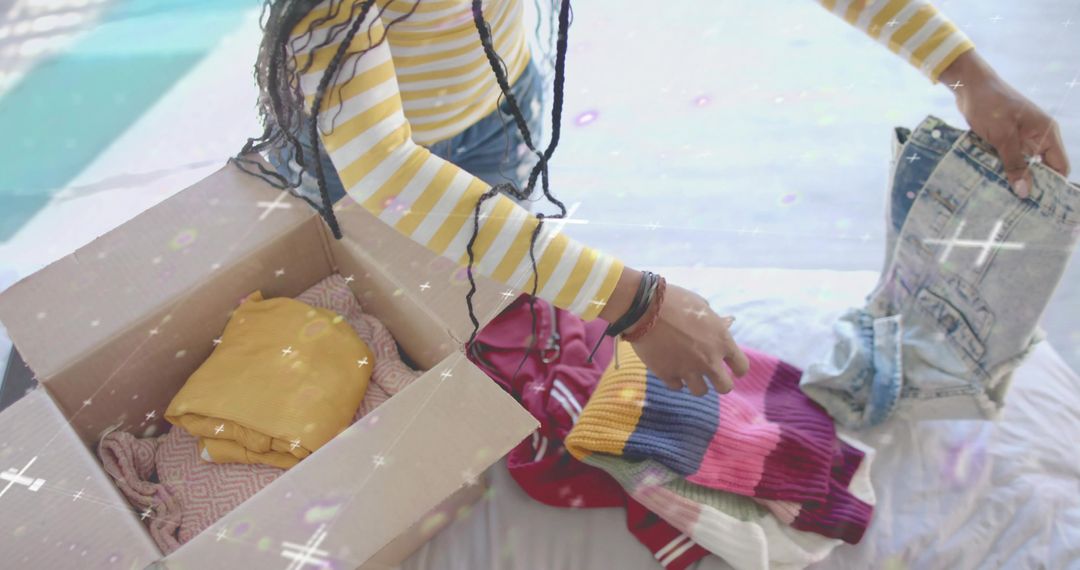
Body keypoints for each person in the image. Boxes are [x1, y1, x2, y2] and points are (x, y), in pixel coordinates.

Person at [233, 0, 1070, 398]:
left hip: (504, 100)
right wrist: (630, 303)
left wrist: (967, 72)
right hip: (360, 162)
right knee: (377, 339)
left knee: (480, 310)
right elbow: (383, 168)